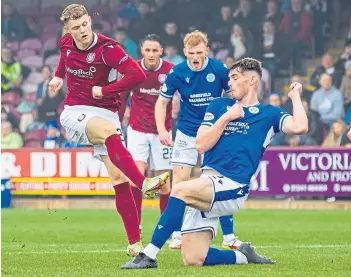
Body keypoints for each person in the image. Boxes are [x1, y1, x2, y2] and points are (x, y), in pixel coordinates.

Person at [121, 58, 308, 269]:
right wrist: (226, 117)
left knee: (180, 189)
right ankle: (243, 256)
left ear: (252, 80)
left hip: (233, 186)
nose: (230, 83)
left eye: (235, 78)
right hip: (207, 183)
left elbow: (301, 126)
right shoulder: (219, 105)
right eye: (229, 79)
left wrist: (295, 97)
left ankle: (149, 255)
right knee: (193, 259)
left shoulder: (269, 114)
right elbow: (201, 144)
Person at [48, 4, 169, 257]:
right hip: (75, 110)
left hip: (106, 112)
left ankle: (134, 243)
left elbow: (135, 75)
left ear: (89, 21)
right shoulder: (65, 43)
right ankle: (144, 182)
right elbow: (64, 58)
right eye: (75, 28)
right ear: (67, 30)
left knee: (118, 179)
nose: (82, 31)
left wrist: (105, 91)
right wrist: (58, 77)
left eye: (84, 25)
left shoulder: (109, 50)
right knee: (107, 132)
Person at [155, 30, 240, 250]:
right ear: (185, 52)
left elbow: (235, 96)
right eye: (191, 52)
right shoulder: (176, 72)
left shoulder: (219, 69)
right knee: (180, 183)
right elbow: (161, 103)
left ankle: (229, 236)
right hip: (186, 133)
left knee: (220, 180)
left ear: (207, 51)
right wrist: (162, 130)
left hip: (213, 132)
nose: (195, 57)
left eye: (199, 52)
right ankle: (176, 234)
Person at [127, 34, 173, 232]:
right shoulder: (133, 69)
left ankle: (165, 227)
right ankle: (135, 226)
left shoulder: (171, 71)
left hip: (162, 132)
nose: (151, 54)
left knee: (165, 186)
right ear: (142, 51)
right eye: (148, 50)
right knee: (135, 179)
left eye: (155, 50)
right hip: (137, 130)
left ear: (161, 51)